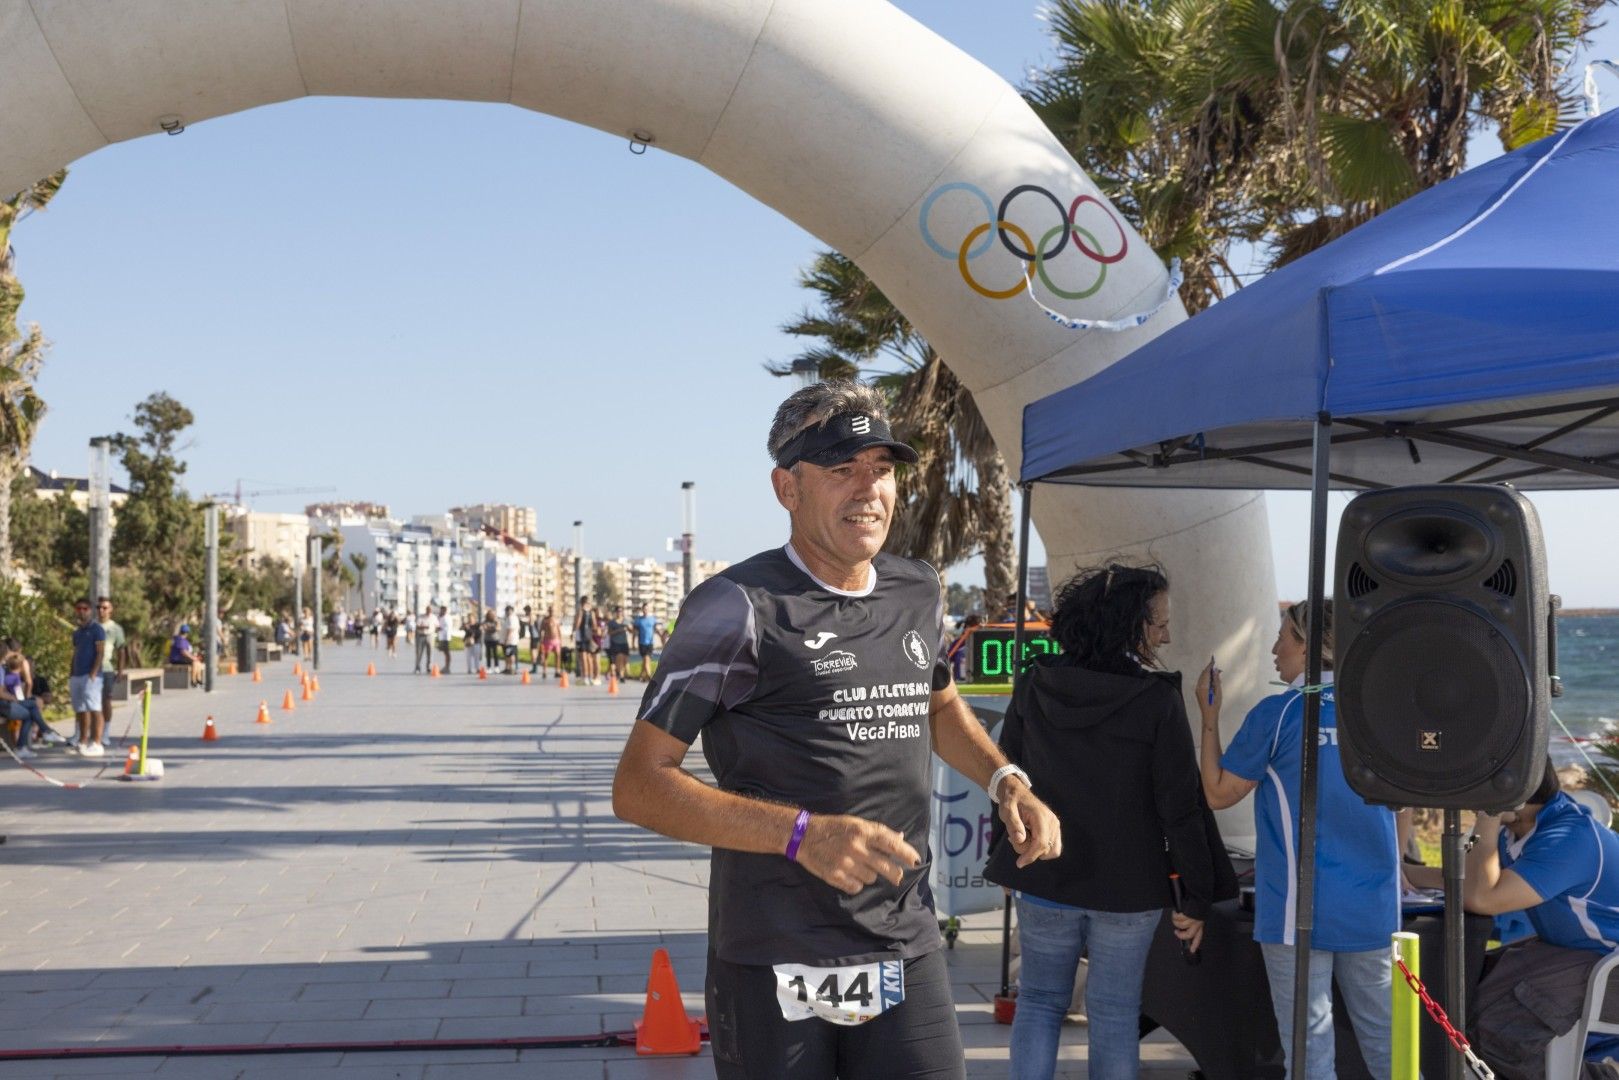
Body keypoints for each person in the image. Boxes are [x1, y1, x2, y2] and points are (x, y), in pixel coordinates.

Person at [612, 380, 1061, 1080]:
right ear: (785, 487)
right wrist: (801, 833)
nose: (867, 490)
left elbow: (935, 703)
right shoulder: (734, 607)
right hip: (773, 949)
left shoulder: (916, 588)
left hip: (902, 940)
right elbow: (639, 786)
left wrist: (1003, 779)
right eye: (839, 469)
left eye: (880, 470)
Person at [985, 564, 1235, 1080]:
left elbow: (1004, 778)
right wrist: (1197, 894)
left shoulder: (1034, 684)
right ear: (1129, 624)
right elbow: (1180, 808)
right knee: (1115, 1013)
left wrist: (1007, 855)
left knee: (1038, 1002)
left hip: (1043, 874)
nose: (1166, 633)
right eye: (1158, 622)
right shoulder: (1156, 701)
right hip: (1130, 889)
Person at [1199, 598, 1400, 1080]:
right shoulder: (1379, 714)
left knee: (1309, 1055)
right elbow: (1401, 807)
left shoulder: (1280, 714)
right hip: (1373, 906)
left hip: (1296, 909)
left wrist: (1209, 718)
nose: (1274, 648)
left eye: (1283, 636)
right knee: (1390, 1048)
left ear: (1310, 645)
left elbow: (1217, 793)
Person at [1403, 763, 1619, 1075]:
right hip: (1579, 954)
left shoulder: (1570, 837)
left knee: (1497, 1033)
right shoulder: (1524, 831)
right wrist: (1403, 873)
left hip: (1608, 968)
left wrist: (1488, 818)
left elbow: (1483, 899)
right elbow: (1466, 880)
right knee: (1463, 998)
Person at [70, 598, 107, 756]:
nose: (82, 611)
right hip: (77, 675)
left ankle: (97, 742)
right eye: (79, 608)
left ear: (90, 610)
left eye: (85, 608)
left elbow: (100, 652)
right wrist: (71, 672)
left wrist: (93, 672)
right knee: (80, 709)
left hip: (91, 676)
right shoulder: (77, 632)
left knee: (94, 708)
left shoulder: (97, 629)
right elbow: (76, 652)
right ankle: (82, 741)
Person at [97, 597, 125, 749]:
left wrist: (120, 670)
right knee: (90, 703)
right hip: (90, 669)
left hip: (107, 669)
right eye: (99, 607)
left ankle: (105, 732)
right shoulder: (93, 626)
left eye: (104, 608)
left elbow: (121, 650)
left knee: (106, 700)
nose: (101, 611)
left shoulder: (116, 629)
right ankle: (87, 733)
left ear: (110, 610)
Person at [573, 596, 599, 685]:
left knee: (583, 657)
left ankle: (585, 677)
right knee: (589, 658)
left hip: (582, 636)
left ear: (581, 603)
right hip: (589, 636)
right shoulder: (592, 613)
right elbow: (595, 626)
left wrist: (573, 632)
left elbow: (577, 624)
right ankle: (591, 677)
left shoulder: (580, 612)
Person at [631, 603, 660, 681]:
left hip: (650, 643)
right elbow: (634, 633)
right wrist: (633, 643)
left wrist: (661, 637)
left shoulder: (652, 619)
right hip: (642, 643)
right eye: (644, 609)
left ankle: (642, 676)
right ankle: (650, 678)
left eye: (647, 609)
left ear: (649, 609)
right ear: (642, 610)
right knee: (646, 659)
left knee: (646, 660)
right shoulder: (638, 620)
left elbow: (656, 629)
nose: (645, 610)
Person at [605, 607, 631, 682]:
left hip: (624, 643)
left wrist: (629, 628)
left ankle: (618, 673)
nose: (619, 613)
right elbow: (609, 633)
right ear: (616, 612)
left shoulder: (626, 621)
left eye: (621, 611)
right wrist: (618, 630)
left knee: (625, 660)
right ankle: (621, 676)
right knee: (619, 659)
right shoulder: (612, 622)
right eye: (618, 611)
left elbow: (631, 631)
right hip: (616, 643)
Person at [501, 604, 521, 675]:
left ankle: (511, 668)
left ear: (512, 611)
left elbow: (510, 629)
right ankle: (508, 668)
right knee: (507, 654)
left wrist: (507, 639)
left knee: (510, 654)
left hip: (510, 640)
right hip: (511, 640)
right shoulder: (510, 618)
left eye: (509, 611)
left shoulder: (511, 618)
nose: (507, 612)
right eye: (507, 611)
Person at [413, 609, 434, 674]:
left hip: (430, 636)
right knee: (419, 653)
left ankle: (429, 668)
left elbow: (437, 625)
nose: (429, 612)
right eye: (428, 610)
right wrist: (424, 627)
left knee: (430, 653)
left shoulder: (433, 617)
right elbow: (417, 626)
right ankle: (417, 667)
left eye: (430, 611)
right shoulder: (421, 617)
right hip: (421, 636)